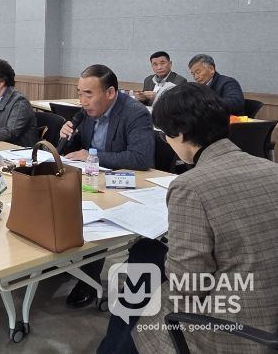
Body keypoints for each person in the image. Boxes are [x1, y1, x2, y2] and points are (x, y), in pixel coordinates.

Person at [98, 83, 278, 354]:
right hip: (268, 302)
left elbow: (189, 284)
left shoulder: (190, 186)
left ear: (180, 133)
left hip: (232, 327)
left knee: (140, 281)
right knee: (147, 252)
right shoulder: (271, 169)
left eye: (164, 135)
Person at [59, 64, 154, 309]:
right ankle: (59, 264)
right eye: (79, 93)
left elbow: (141, 158)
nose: (82, 101)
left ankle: (88, 279)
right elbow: (79, 148)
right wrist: (68, 136)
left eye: (88, 94)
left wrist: (93, 156)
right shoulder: (87, 113)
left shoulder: (135, 113)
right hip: (92, 179)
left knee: (91, 218)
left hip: (124, 187)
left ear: (110, 92)